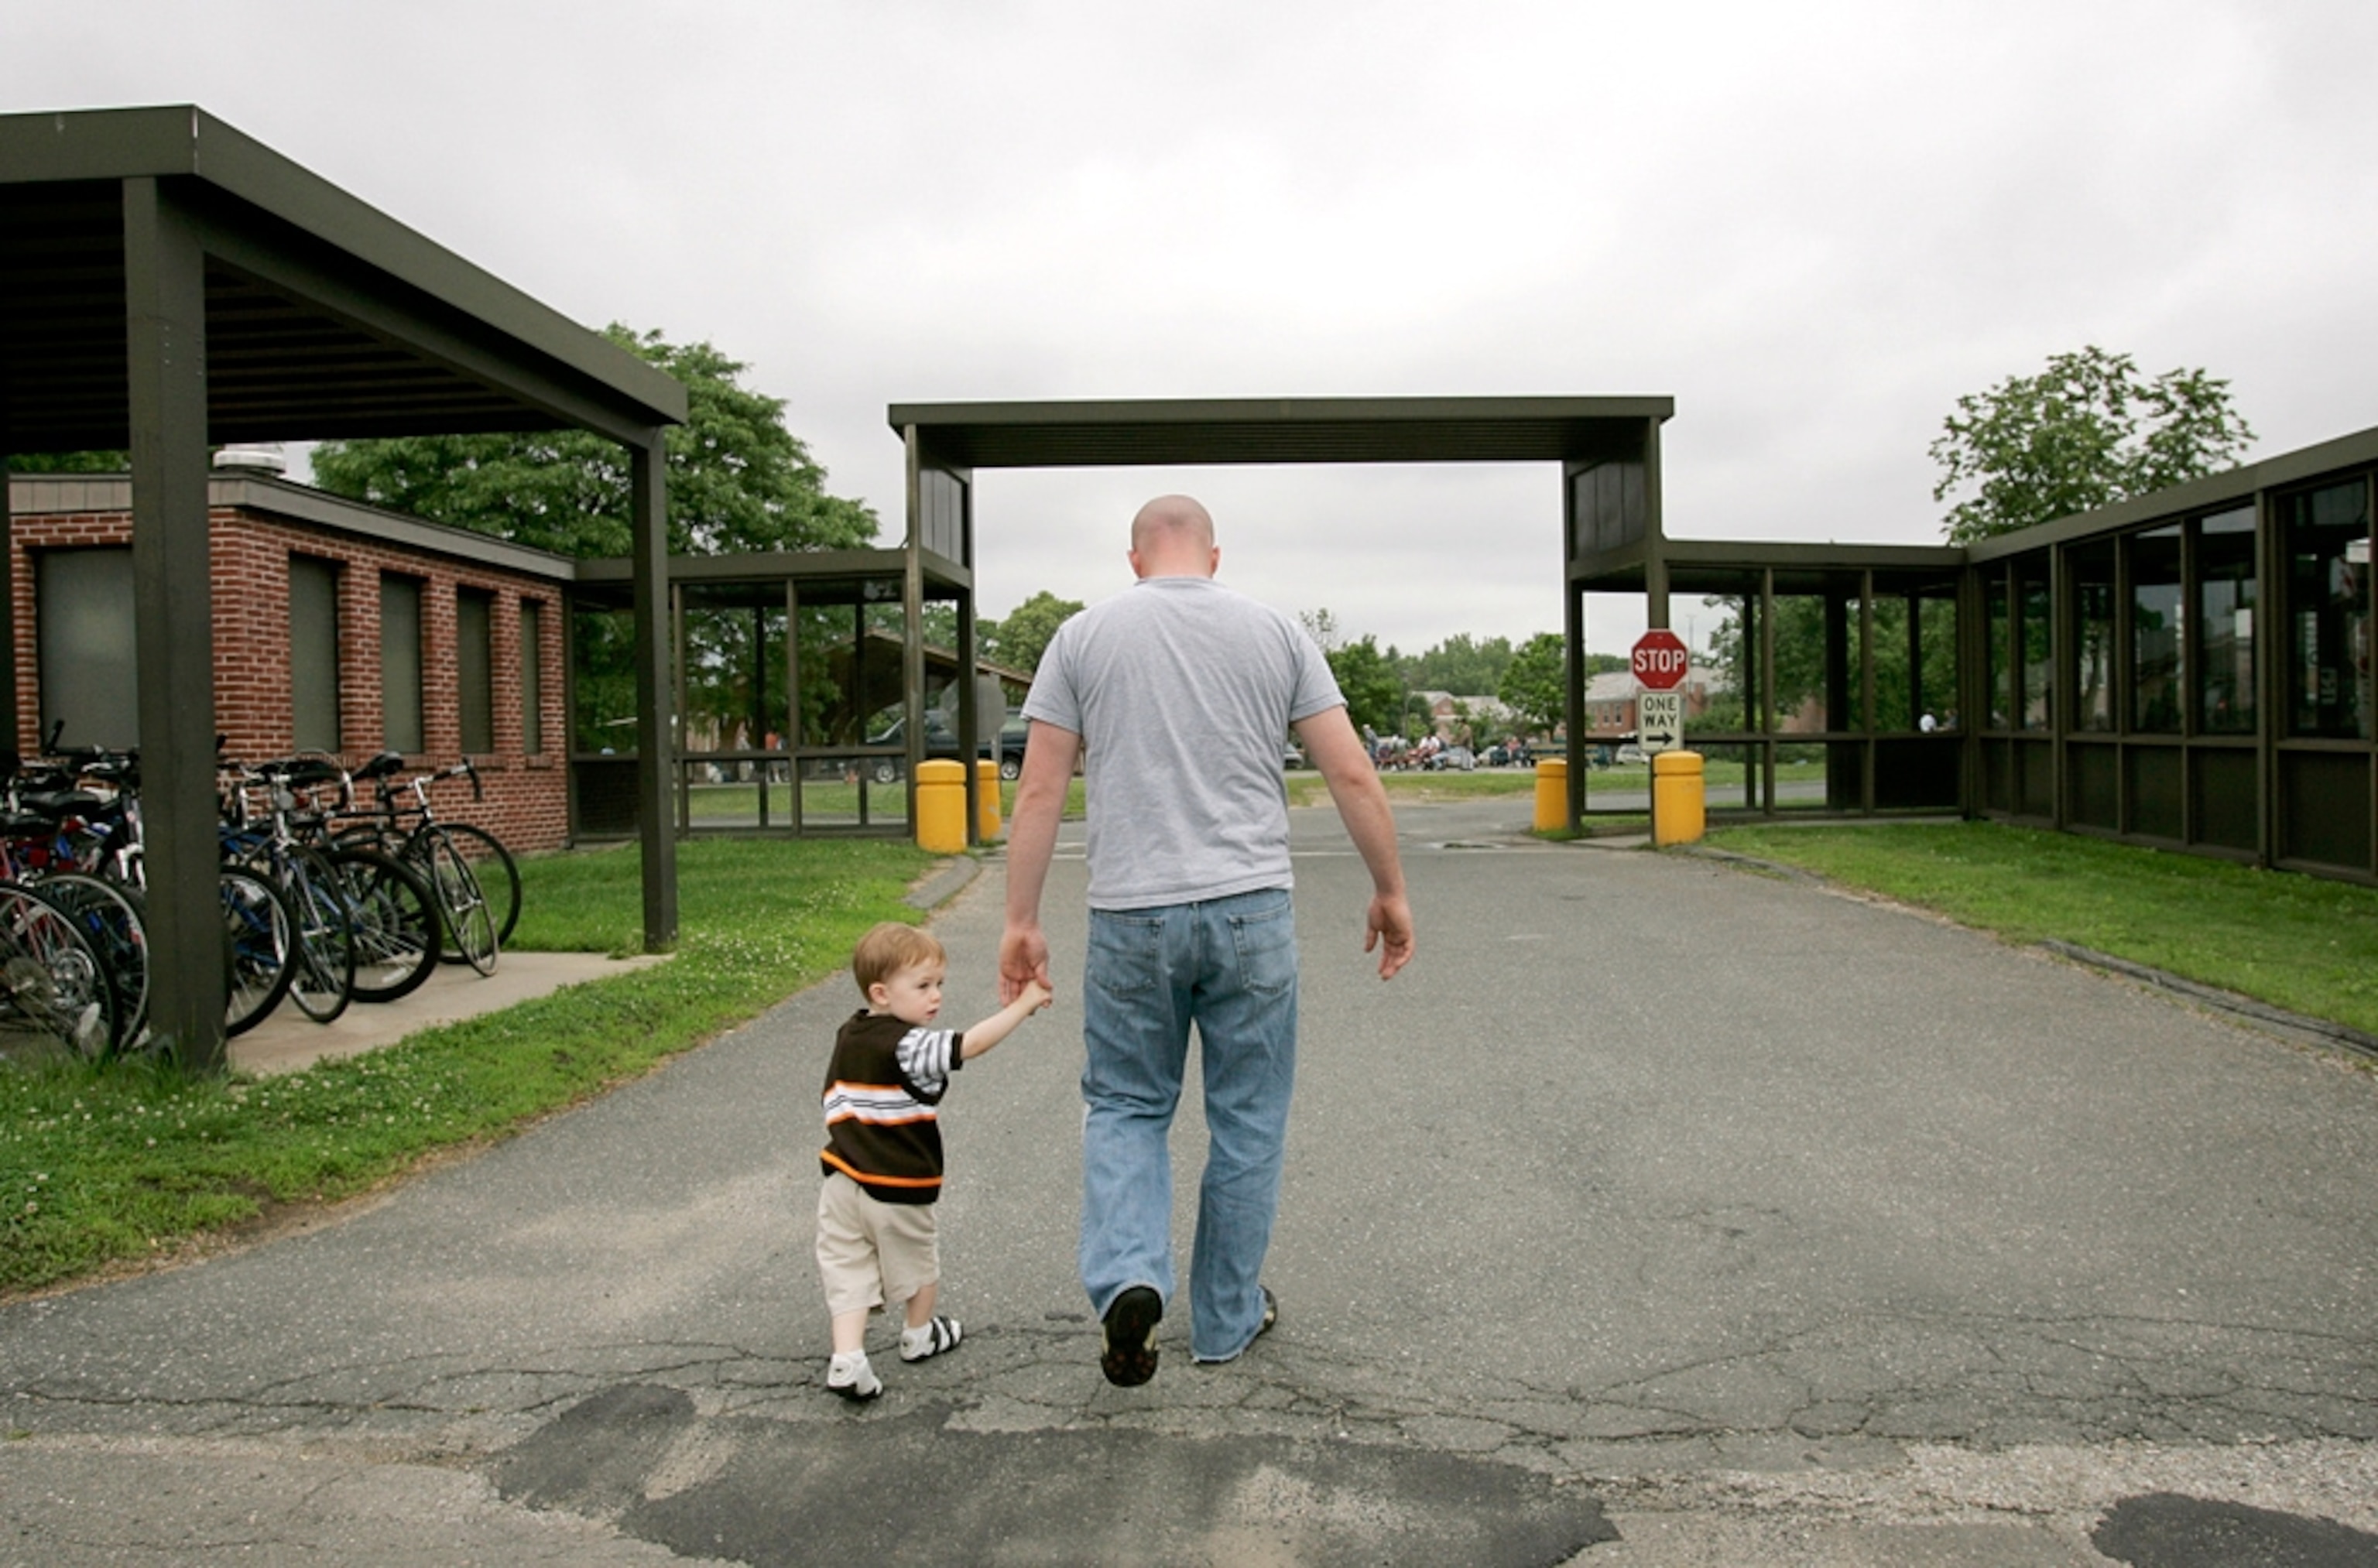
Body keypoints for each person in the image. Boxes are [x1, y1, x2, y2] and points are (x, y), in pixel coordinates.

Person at [1000, 494, 1416, 1387]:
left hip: (1129, 914)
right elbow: (1348, 768)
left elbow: (1039, 793)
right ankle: (1225, 1320)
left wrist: (1021, 921)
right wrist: (1389, 889)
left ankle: (1129, 1279)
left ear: (1135, 557)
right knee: (1248, 1119)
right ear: (1214, 556)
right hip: (1251, 908)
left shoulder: (1081, 638)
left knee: (1126, 1106)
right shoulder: (1277, 633)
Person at [817, 921, 1051, 1402]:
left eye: (939, 984)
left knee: (847, 1267)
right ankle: (919, 1333)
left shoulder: (850, 1032)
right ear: (881, 993)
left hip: (841, 1180)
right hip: (897, 1186)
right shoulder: (907, 1043)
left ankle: (848, 1357)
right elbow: (972, 1045)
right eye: (922, 986)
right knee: (920, 1263)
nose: (936, 997)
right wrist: (1025, 1005)